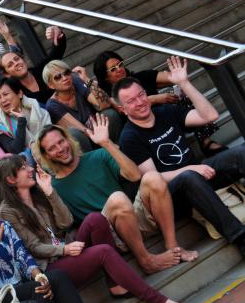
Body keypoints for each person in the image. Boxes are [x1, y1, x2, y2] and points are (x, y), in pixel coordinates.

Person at [0, 155, 194, 303]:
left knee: (96, 219)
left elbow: (65, 222)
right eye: (22, 167)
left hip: (66, 250)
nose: (29, 168)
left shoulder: (39, 194)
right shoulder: (8, 211)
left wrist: (50, 192)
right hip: (51, 267)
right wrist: (63, 249)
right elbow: (32, 247)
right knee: (104, 251)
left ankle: (115, 284)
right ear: (11, 180)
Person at [114, 56, 245, 255]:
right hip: (174, 196)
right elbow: (154, 178)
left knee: (241, 152)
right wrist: (190, 168)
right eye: (131, 101)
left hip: (200, 176)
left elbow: (209, 116)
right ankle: (240, 238)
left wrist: (184, 83)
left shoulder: (165, 111)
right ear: (123, 110)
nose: (140, 102)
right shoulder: (129, 137)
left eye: (141, 95)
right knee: (189, 177)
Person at [34, 117, 197, 274]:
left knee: (153, 178)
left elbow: (134, 175)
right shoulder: (52, 187)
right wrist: (50, 193)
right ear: (46, 156)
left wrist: (106, 144)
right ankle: (146, 261)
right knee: (117, 198)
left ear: (68, 140)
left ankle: (173, 246)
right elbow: (64, 225)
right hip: (111, 237)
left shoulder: (98, 156)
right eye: (52, 148)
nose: (60, 149)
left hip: (133, 219)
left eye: (61, 141)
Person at [94, 50, 224, 156]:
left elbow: (171, 77)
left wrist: (180, 81)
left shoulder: (142, 77)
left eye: (120, 64)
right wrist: (155, 99)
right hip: (145, 131)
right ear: (104, 76)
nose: (119, 69)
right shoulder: (110, 95)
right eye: (113, 69)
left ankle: (205, 141)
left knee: (185, 92)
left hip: (168, 119)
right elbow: (113, 105)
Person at [43, 60, 121, 151]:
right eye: (57, 77)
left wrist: (87, 79)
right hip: (85, 142)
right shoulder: (52, 105)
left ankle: (121, 149)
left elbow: (104, 105)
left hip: (100, 131)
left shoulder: (76, 82)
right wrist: (106, 143)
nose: (65, 78)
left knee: (110, 114)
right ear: (51, 85)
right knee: (74, 134)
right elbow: (81, 130)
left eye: (67, 73)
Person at [0, 26, 66, 105]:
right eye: (10, 65)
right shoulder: (14, 91)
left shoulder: (41, 70)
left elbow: (57, 52)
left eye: (17, 59)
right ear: (6, 74)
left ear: (23, 60)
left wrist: (57, 33)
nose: (16, 63)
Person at [0, 78, 51, 157]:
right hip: (26, 161)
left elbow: (51, 135)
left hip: (49, 148)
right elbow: (15, 149)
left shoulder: (36, 108)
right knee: (26, 155)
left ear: (19, 93)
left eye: (5, 94)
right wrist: (21, 121)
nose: (3, 100)